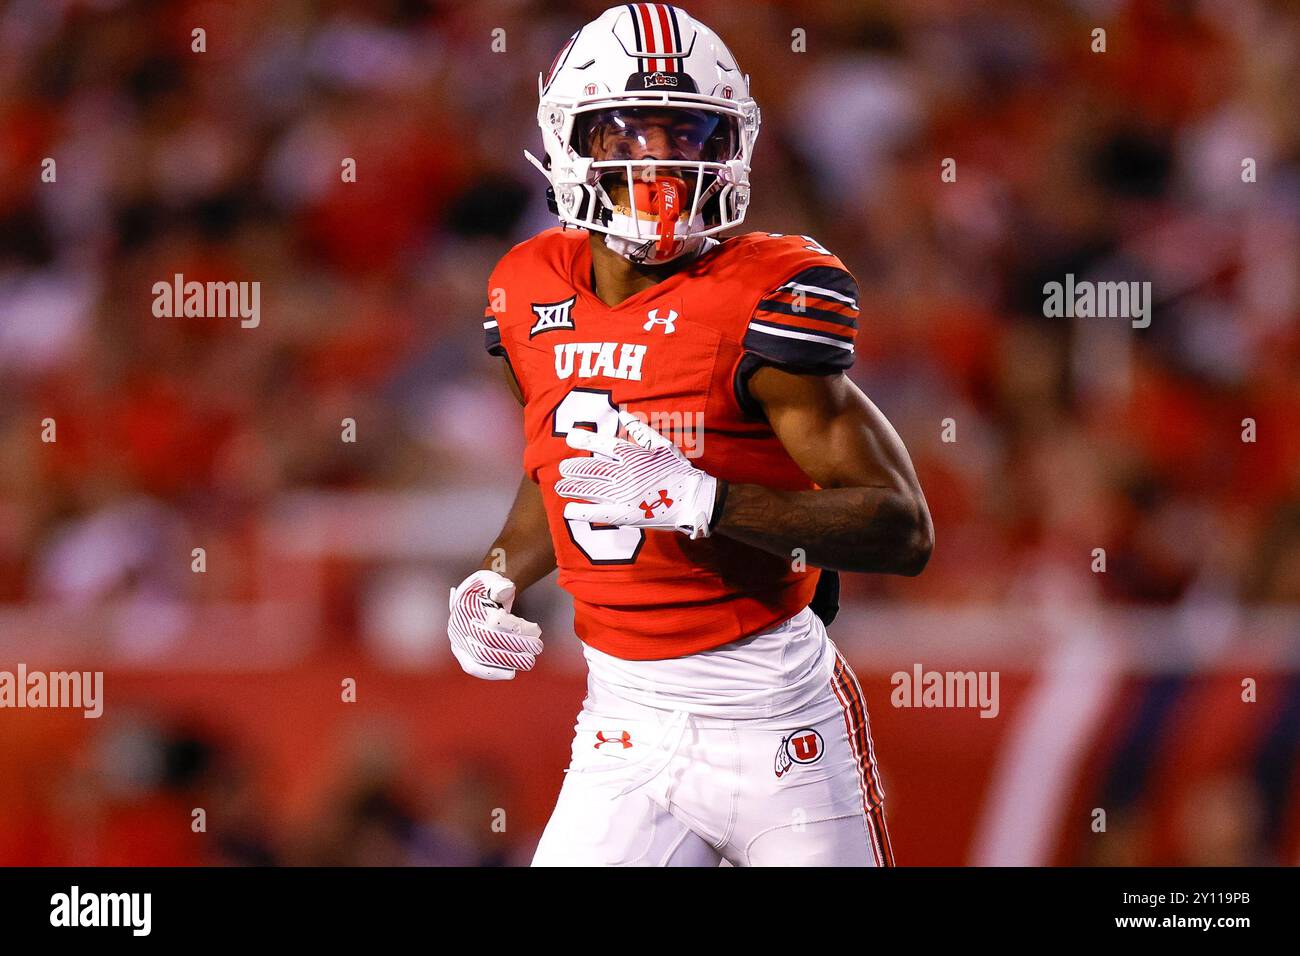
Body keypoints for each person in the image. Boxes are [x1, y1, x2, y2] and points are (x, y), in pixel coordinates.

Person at [447, 4, 932, 866]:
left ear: (727, 146)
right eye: (631, 133)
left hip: (778, 723)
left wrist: (706, 499)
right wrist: (492, 578)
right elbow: (559, 466)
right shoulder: (527, 289)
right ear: (577, 145)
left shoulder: (762, 294)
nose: (660, 160)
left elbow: (901, 528)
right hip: (622, 723)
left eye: (686, 132)